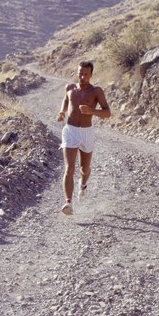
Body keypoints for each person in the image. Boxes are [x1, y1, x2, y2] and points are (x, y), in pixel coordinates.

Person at [57, 61, 111, 215]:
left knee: (84, 169)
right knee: (69, 168)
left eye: (86, 74)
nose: (82, 76)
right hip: (70, 130)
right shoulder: (70, 88)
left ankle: (83, 184)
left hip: (87, 132)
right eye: (80, 73)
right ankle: (68, 203)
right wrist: (62, 112)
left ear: (91, 75)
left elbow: (107, 113)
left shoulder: (96, 91)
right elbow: (66, 100)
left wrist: (91, 111)